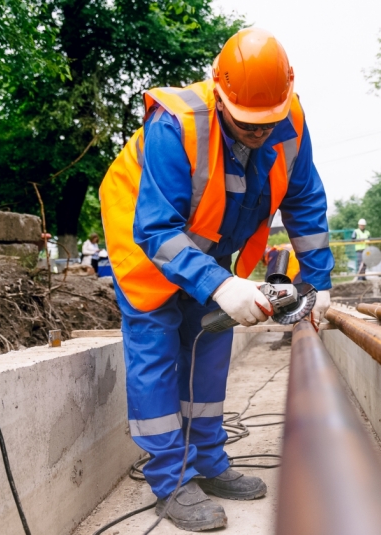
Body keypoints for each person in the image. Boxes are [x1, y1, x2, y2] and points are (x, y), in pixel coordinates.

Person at [99, 28, 333, 532]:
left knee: (208, 342)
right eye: (248, 123)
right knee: (157, 346)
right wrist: (222, 284)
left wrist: (319, 283)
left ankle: (207, 459)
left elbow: (304, 201)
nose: (259, 132)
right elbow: (156, 227)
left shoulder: (288, 120)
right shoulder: (176, 124)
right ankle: (169, 479)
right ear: (220, 94)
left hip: (207, 247)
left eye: (267, 122)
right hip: (147, 242)